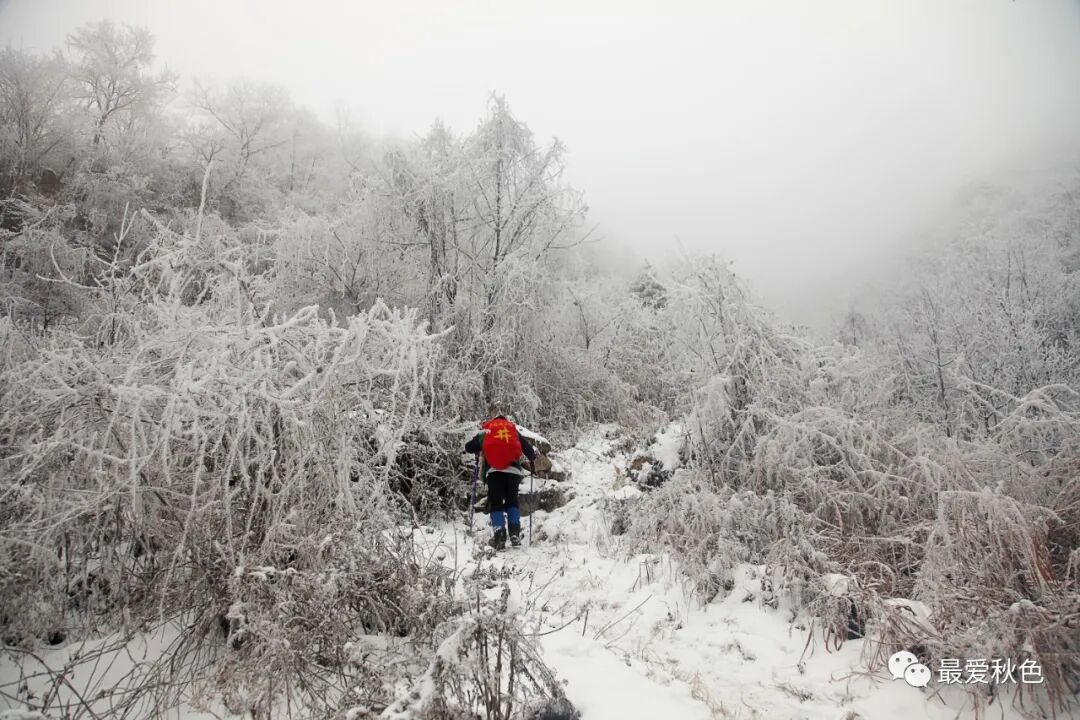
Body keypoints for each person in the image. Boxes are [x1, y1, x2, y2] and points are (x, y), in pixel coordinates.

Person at [464, 415, 537, 549]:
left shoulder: (487, 430)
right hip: (513, 471)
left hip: (494, 472)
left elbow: (469, 447)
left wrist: (478, 449)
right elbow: (529, 451)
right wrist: (532, 458)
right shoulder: (512, 429)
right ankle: (514, 532)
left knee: (496, 502)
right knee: (512, 500)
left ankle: (500, 536)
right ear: (505, 421)